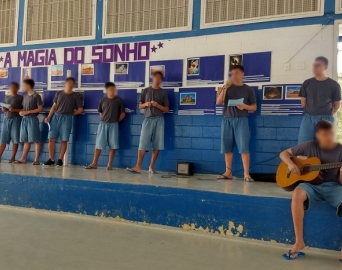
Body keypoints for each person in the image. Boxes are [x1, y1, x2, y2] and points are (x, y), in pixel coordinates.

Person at [280, 120, 342, 260]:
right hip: (312, 185)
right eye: (325, 134)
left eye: (331, 134)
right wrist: (290, 163)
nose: (329, 137)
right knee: (297, 193)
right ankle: (299, 242)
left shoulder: (340, 150)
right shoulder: (309, 146)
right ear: (318, 135)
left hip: (334, 186)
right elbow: (283, 153)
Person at [216, 65, 257, 182]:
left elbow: (254, 107)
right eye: (232, 73)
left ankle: (246, 174)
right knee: (227, 147)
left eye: (237, 73)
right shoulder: (227, 87)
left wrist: (245, 106)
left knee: (244, 147)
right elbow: (219, 102)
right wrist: (225, 88)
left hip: (241, 120)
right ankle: (228, 172)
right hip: (227, 119)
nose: (234, 75)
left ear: (242, 74)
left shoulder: (248, 89)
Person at [126, 71, 169, 174]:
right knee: (142, 143)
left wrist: (157, 105)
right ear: (152, 78)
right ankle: (138, 166)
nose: (157, 80)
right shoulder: (145, 91)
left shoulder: (163, 93)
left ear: (161, 80)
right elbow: (140, 106)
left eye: (160, 78)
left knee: (157, 144)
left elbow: (166, 109)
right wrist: (146, 104)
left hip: (159, 120)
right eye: (156, 77)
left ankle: (151, 167)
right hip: (147, 119)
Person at [298, 56, 341, 144]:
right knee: (303, 145)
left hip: (326, 118)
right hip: (308, 118)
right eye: (314, 65)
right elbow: (303, 102)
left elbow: (337, 104)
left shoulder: (334, 84)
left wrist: (327, 113)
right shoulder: (307, 83)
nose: (315, 68)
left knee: (325, 146)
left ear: (325, 67)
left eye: (318, 65)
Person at [43, 77, 83, 167]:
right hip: (56, 117)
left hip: (67, 118)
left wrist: (71, 114)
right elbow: (54, 106)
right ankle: (51, 159)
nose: (70, 85)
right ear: (65, 83)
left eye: (72, 84)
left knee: (64, 140)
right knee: (51, 139)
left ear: (74, 85)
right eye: (69, 83)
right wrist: (49, 117)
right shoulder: (59, 93)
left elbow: (80, 109)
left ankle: (60, 160)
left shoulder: (75, 96)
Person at [85, 82, 125, 170]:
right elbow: (100, 112)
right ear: (107, 90)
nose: (112, 91)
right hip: (103, 124)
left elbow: (122, 114)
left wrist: (115, 121)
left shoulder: (119, 101)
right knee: (99, 144)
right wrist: (104, 120)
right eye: (111, 89)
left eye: (114, 89)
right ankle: (94, 163)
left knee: (113, 145)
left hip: (114, 125)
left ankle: (109, 164)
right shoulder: (102, 100)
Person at [14, 79, 43, 165]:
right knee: (26, 140)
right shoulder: (25, 97)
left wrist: (28, 112)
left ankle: (36, 160)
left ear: (28, 85)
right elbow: (24, 109)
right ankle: (23, 158)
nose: (22, 87)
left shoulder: (36, 96)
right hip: (24, 120)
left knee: (36, 140)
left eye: (24, 85)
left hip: (32, 119)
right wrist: (21, 112)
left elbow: (40, 108)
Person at [0, 82, 23, 162]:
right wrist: (3, 108)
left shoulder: (21, 98)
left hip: (16, 120)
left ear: (17, 88)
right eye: (11, 87)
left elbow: (24, 109)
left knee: (15, 139)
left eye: (14, 87)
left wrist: (14, 110)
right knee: (3, 139)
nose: (12, 88)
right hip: (6, 119)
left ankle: (12, 157)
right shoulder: (7, 97)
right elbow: (3, 107)